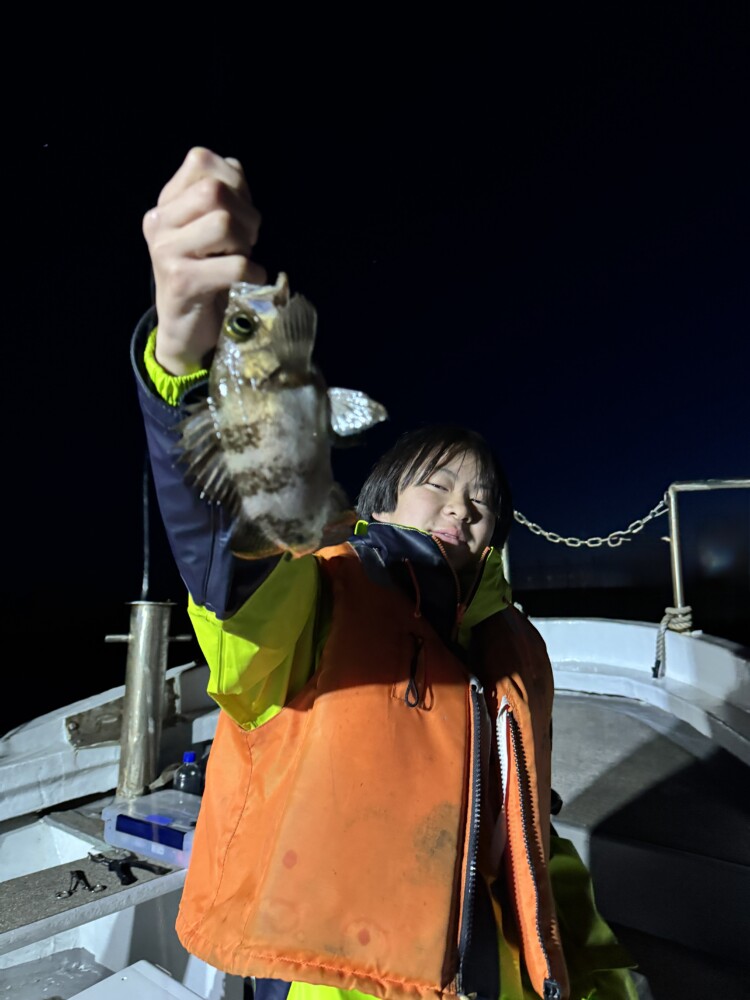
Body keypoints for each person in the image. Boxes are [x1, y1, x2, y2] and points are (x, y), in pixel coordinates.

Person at [133, 147, 639, 1000]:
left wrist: (612, 984)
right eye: (437, 484)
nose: (462, 508)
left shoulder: (511, 650)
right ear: (380, 501)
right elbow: (239, 563)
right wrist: (190, 378)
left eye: (482, 500)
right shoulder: (318, 596)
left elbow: (534, 856)